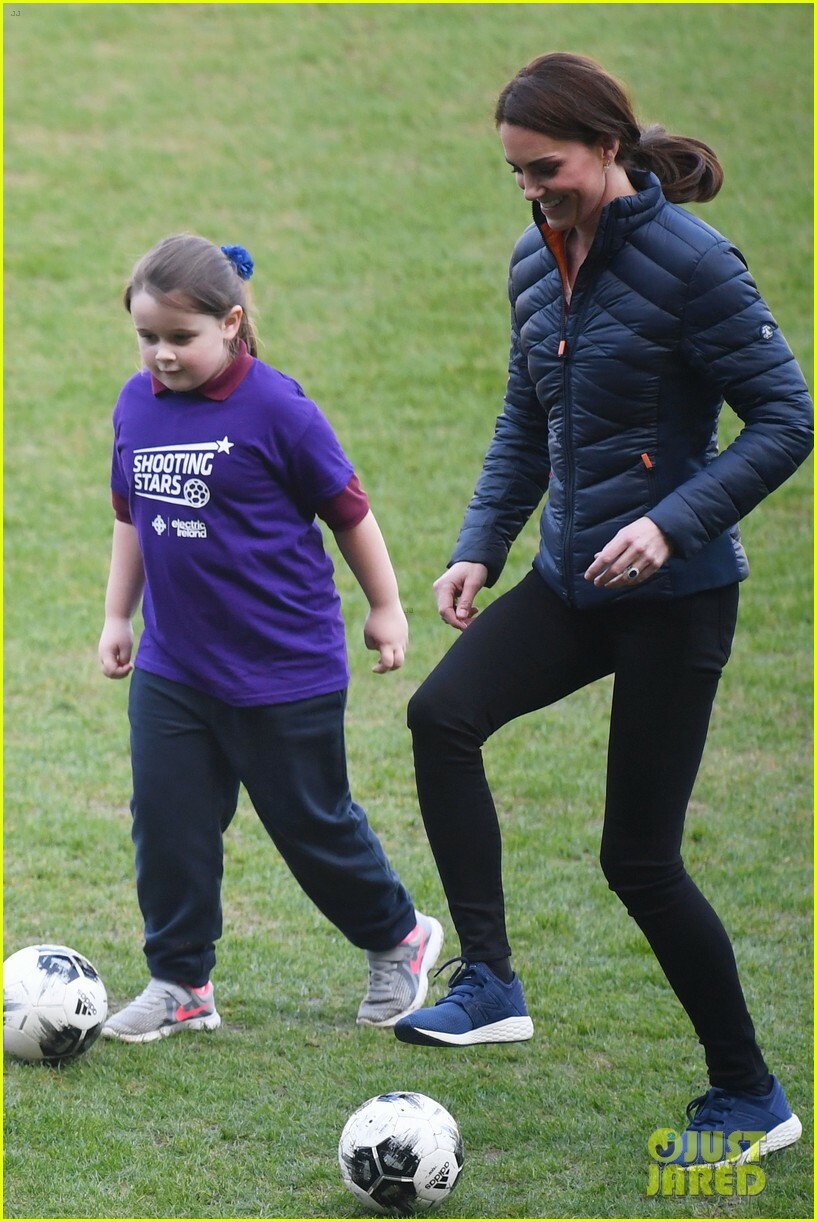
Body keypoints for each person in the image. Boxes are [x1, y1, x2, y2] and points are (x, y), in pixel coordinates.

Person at [394, 54, 811, 1163]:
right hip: (573, 580)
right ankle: (488, 983)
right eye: (516, 175)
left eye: (548, 170)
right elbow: (524, 419)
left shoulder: (693, 263)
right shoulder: (537, 260)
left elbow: (785, 416)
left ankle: (750, 1094)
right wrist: (480, 544)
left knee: (638, 861)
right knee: (441, 717)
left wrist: (672, 523)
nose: (533, 192)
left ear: (608, 147)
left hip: (675, 597)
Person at [98, 233, 442, 1043]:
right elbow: (131, 517)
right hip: (174, 666)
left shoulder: (278, 408)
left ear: (231, 323)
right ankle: (181, 981)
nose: (162, 354)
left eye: (180, 337)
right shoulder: (136, 403)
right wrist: (118, 616)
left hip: (285, 668)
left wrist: (385, 607)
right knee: (168, 823)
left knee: (310, 825)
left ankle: (398, 937)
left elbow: (349, 513)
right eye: (147, 336)